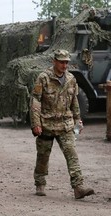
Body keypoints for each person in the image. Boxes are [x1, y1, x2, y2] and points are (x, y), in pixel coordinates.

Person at [29, 49, 95, 199]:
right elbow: (35, 100)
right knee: (43, 156)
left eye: (66, 62)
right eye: (61, 62)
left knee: (72, 154)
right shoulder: (44, 78)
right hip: (46, 124)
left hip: (65, 124)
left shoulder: (71, 78)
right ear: (54, 61)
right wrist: (36, 123)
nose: (64, 65)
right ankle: (40, 183)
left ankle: (78, 187)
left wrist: (78, 119)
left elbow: (74, 100)